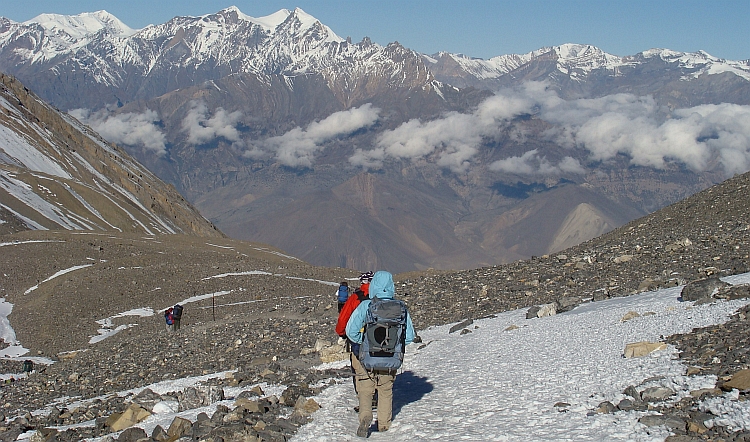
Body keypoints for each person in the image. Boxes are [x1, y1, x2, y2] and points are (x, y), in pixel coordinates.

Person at [346, 270, 415, 438]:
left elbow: (350, 330)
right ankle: (384, 424)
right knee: (385, 390)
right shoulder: (400, 308)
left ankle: (365, 417)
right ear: (391, 286)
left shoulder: (366, 306)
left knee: (365, 389)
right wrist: (395, 346)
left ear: (374, 285)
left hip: (367, 356)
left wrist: (363, 342)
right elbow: (410, 336)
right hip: (390, 358)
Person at [336, 271, 374, 396]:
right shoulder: (383, 296)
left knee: (358, 366)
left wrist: (341, 333)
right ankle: (376, 392)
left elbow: (344, 318)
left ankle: (364, 396)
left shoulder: (355, 297)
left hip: (359, 339)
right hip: (380, 339)